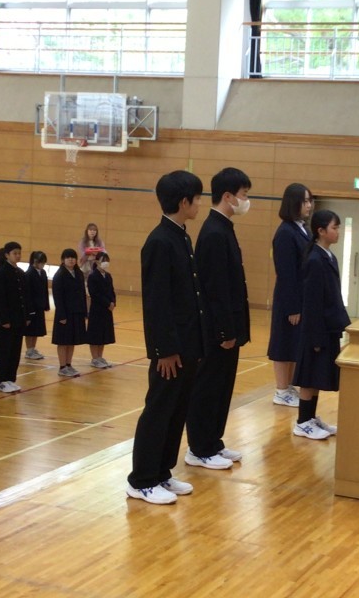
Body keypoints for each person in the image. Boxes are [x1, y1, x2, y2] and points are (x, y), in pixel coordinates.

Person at [127, 170, 205, 505]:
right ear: (183, 202)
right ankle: (141, 479)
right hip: (170, 348)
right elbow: (156, 302)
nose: (199, 204)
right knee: (159, 410)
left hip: (187, 343)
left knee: (177, 409)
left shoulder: (181, 237)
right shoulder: (159, 241)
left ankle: (161, 471)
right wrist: (165, 350)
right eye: (197, 198)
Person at [185, 167, 251, 470]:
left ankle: (213, 441)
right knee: (209, 387)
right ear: (228, 196)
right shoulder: (213, 232)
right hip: (216, 329)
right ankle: (199, 447)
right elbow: (215, 288)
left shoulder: (224, 227)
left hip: (229, 326)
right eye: (243, 195)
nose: (246, 200)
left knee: (222, 386)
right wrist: (225, 330)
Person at [291, 210, 351, 440]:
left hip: (328, 327)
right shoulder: (315, 260)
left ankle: (311, 417)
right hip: (315, 329)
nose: (338, 232)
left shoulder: (328, 256)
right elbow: (312, 302)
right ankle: (302, 422)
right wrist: (315, 336)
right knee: (308, 376)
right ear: (321, 231)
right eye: (334, 227)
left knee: (318, 375)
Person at [268, 183, 313, 407]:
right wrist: (293, 306)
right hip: (289, 298)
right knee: (283, 344)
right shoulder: (285, 232)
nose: (309, 205)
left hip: (302, 297)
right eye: (304, 201)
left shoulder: (303, 229)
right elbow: (286, 273)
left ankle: (289, 387)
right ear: (293, 203)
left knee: (294, 343)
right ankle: (281, 390)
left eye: (310, 200)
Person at [0, 241, 31, 393]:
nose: (18, 256)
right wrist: (4, 319)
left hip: (19, 319)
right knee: (5, 351)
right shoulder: (0, 273)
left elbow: (24, 297)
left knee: (15, 350)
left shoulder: (20, 273)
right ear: (7, 255)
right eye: (15, 253)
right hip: (7, 319)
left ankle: (10, 379)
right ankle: (0, 381)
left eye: (19, 253)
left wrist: (27, 316)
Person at [52, 248, 87, 378]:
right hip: (64, 313)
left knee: (72, 340)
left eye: (73, 257)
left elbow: (82, 294)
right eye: (68, 257)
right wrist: (61, 315)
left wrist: (84, 311)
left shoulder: (79, 274)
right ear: (63, 260)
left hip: (76, 312)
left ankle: (68, 364)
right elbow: (57, 297)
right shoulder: (59, 275)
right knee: (63, 341)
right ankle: (62, 367)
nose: (71, 260)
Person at [86, 251, 116, 368]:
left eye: (107, 260)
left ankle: (100, 357)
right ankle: (94, 358)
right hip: (97, 310)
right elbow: (95, 294)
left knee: (103, 334)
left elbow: (112, 291)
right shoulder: (92, 276)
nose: (105, 263)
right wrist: (107, 303)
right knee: (95, 335)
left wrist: (113, 302)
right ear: (97, 261)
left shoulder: (108, 276)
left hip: (107, 310)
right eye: (103, 260)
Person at [24, 251, 50, 360]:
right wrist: (29, 309)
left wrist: (46, 304)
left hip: (40, 305)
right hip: (31, 306)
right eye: (41, 262)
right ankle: (29, 350)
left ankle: (33, 348)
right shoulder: (29, 274)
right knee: (30, 330)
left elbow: (45, 290)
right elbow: (27, 293)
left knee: (36, 330)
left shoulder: (43, 273)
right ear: (35, 261)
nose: (42, 264)